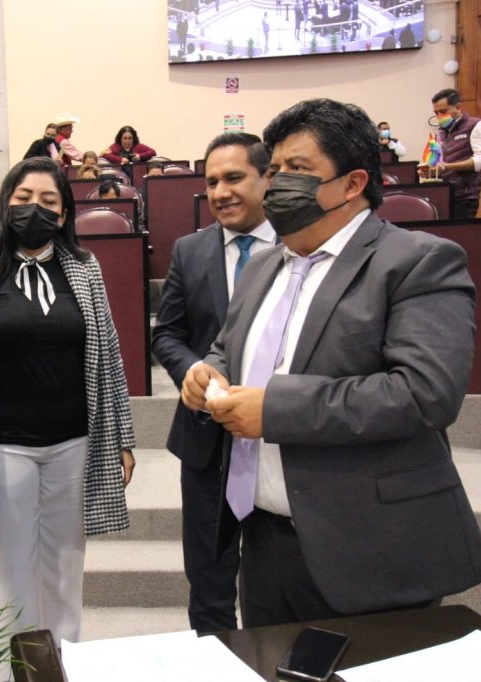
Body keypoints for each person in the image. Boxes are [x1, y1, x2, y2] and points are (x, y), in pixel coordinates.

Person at [180, 98, 481, 629]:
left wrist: (275, 409)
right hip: (263, 539)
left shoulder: (417, 261)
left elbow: (426, 393)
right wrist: (207, 373)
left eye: (298, 169)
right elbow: (228, 349)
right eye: (275, 170)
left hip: (370, 542)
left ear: (352, 184)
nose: (278, 183)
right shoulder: (262, 267)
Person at [0, 156, 136, 651]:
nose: (36, 209)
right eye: (24, 198)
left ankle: (62, 667)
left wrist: (121, 438)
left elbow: (109, 355)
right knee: (9, 581)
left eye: (49, 201)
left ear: (65, 213)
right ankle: (11, 674)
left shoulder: (83, 267)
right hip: (2, 445)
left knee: (65, 573)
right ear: (6, 204)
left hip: (73, 441)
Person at [152, 132, 275, 633]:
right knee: (209, 584)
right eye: (212, 182)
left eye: (234, 178)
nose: (221, 192)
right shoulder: (190, 250)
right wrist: (192, 370)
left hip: (280, 438)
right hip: (205, 441)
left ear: (267, 178)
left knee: (276, 585)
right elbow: (167, 334)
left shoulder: (299, 249)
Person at [424, 88, 481, 219]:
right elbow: (437, 161)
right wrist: (430, 171)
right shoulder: (440, 132)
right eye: (436, 113)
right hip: (442, 194)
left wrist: (448, 167)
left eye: (443, 111)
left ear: (458, 107)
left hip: (465, 196)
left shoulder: (476, 126)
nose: (439, 116)